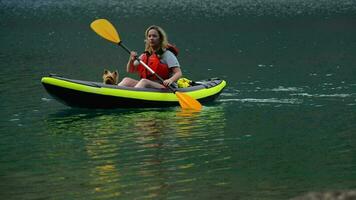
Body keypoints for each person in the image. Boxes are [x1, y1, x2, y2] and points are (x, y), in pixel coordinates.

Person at [118, 25, 182, 89]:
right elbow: (130, 70)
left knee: (144, 82)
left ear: (160, 39)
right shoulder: (146, 55)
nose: (151, 38)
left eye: (154, 36)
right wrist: (131, 60)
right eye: (149, 36)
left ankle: (132, 97)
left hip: (166, 87)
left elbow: (178, 73)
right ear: (147, 39)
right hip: (149, 85)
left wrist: (170, 80)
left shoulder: (167, 54)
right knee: (126, 80)